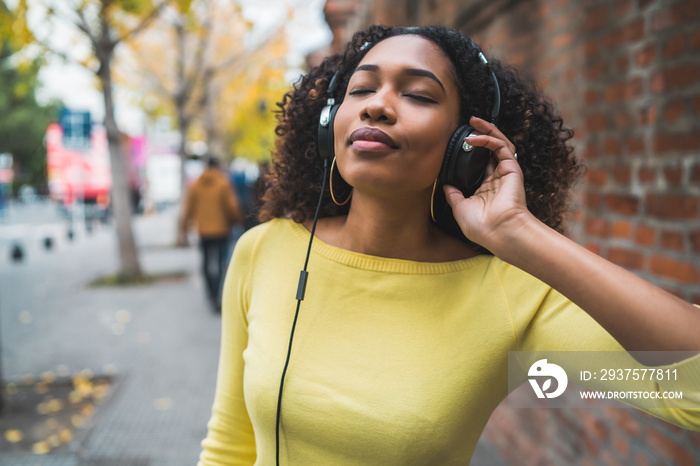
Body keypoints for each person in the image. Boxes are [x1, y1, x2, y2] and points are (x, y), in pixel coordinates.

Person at [198, 25, 700, 465]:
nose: (376, 104)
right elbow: (228, 446)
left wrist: (520, 234)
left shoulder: (511, 295)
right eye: (362, 89)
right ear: (333, 120)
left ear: (465, 142)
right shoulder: (263, 250)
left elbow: (691, 395)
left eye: (418, 94)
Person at [180, 156, 242, 311]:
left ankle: (210, 294)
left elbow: (188, 209)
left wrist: (184, 228)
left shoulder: (196, 185)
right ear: (218, 166)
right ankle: (218, 294)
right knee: (221, 263)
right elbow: (232, 206)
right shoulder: (223, 183)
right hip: (222, 230)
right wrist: (236, 220)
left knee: (206, 263)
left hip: (203, 231)